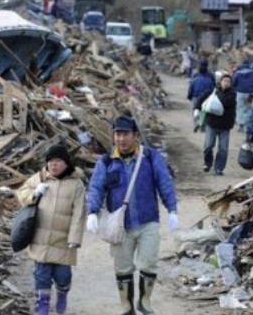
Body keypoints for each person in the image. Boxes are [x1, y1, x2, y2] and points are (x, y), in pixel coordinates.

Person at [86, 116, 178, 315]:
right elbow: (96, 187)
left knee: (149, 262)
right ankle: (126, 305)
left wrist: (172, 209)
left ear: (135, 135)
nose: (121, 139)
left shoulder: (150, 157)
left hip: (148, 220)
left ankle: (145, 301)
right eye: (117, 134)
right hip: (121, 225)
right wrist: (92, 212)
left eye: (125, 134)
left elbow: (164, 182)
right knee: (123, 267)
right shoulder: (107, 161)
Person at [16, 144, 86, 315]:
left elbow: (79, 212)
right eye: (50, 161)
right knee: (41, 274)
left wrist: (75, 238)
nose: (53, 165)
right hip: (40, 237)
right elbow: (21, 193)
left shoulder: (76, 184)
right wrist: (34, 194)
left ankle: (62, 294)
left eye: (57, 161)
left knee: (63, 275)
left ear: (66, 163)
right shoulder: (39, 178)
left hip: (63, 240)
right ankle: (43, 305)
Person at [194, 73, 236, 175]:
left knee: (223, 149)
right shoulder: (212, 91)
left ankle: (219, 168)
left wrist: (217, 92)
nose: (226, 83)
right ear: (220, 82)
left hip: (225, 126)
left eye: (228, 82)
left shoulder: (232, 94)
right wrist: (197, 109)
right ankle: (207, 164)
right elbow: (200, 99)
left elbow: (225, 102)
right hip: (212, 124)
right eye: (224, 81)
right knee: (208, 146)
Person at [232, 59, 253, 132]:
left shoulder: (237, 73)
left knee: (240, 109)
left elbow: (233, 82)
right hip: (250, 94)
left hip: (240, 93)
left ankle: (241, 124)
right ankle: (247, 125)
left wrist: (234, 90)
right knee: (248, 109)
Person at [187, 59, 215, 130]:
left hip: (196, 96)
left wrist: (189, 96)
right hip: (206, 97)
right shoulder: (210, 76)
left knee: (195, 109)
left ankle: (196, 123)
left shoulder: (195, 75)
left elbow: (191, 86)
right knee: (204, 110)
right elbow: (213, 87)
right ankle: (203, 125)